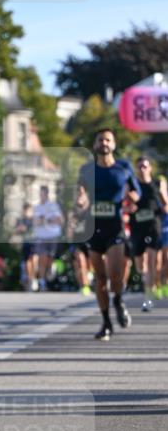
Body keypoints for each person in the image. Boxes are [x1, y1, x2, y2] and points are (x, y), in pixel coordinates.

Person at [76, 128, 140, 341]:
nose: (104, 143)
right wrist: (81, 201)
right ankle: (106, 322)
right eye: (100, 140)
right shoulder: (86, 169)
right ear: (94, 145)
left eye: (108, 140)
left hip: (115, 227)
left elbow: (137, 192)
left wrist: (133, 198)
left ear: (114, 144)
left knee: (114, 275)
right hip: (94, 228)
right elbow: (81, 193)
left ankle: (119, 300)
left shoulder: (124, 167)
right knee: (100, 279)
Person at [128, 156, 168, 311]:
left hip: (154, 226)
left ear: (150, 168)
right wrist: (130, 205)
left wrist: (163, 196)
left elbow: (166, 206)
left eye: (145, 166)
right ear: (136, 169)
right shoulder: (132, 185)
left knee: (152, 261)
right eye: (139, 167)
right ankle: (147, 281)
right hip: (137, 228)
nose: (142, 169)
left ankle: (148, 296)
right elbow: (124, 205)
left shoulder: (157, 184)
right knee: (140, 266)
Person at [33, 185, 64, 290]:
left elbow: (59, 221)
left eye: (43, 194)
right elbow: (36, 222)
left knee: (50, 258)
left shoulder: (53, 206)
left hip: (53, 236)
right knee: (42, 258)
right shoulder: (37, 207)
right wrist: (49, 220)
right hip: (41, 237)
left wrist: (45, 220)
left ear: (46, 194)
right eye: (40, 194)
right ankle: (42, 281)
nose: (41, 196)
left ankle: (51, 268)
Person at [67, 185, 92, 296]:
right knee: (80, 262)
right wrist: (71, 226)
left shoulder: (91, 210)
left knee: (89, 265)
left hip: (90, 241)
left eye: (82, 193)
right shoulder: (73, 212)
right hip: (77, 241)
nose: (80, 196)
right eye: (78, 193)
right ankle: (85, 286)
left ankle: (89, 277)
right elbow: (69, 232)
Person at [14, 203, 37, 291]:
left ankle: (34, 277)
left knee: (34, 259)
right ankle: (30, 279)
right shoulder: (20, 220)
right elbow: (16, 231)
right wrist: (19, 230)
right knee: (27, 261)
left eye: (29, 211)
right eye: (25, 211)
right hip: (26, 243)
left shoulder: (34, 219)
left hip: (35, 242)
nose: (27, 212)